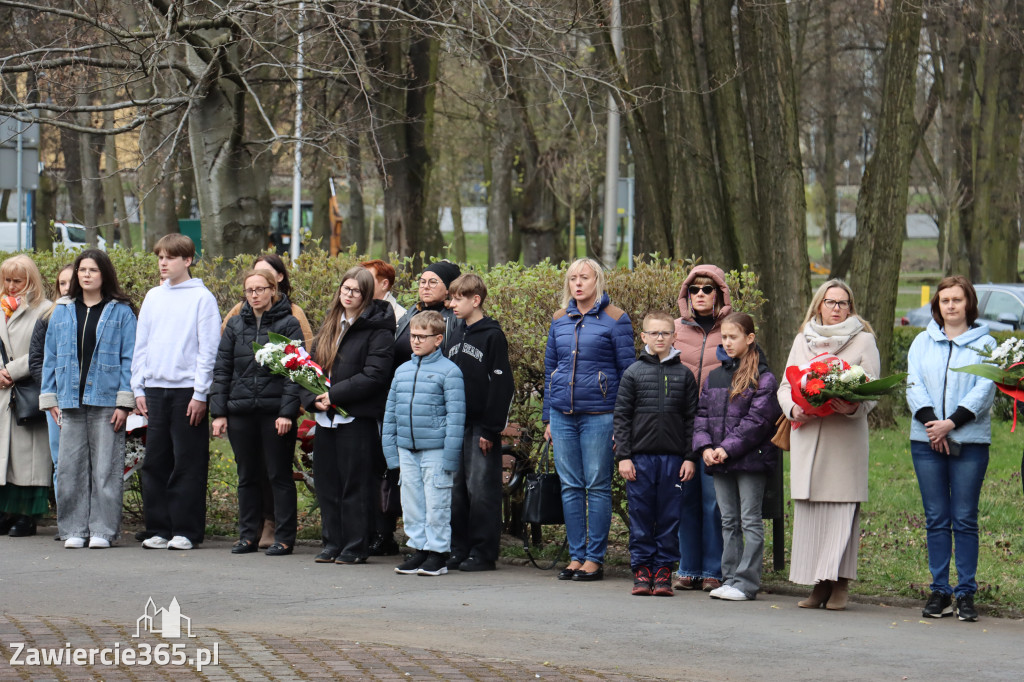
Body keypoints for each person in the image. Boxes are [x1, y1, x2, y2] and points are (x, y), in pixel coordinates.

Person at [777, 279, 879, 611]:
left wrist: (852, 406)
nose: (836, 309)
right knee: (812, 511)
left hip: (843, 439)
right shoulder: (802, 339)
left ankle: (841, 584)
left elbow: (873, 388)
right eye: (830, 302)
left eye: (843, 303)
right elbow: (784, 385)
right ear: (819, 304)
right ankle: (819, 584)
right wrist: (794, 408)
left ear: (851, 307)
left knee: (840, 509)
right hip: (808, 433)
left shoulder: (864, 340)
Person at [906, 276, 995, 622]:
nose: (951, 306)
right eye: (945, 300)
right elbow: (913, 383)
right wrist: (933, 423)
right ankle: (940, 590)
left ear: (968, 304)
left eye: (957, 300)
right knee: (936, 518)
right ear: (937, 305)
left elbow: (985, 389)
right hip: (925, 440)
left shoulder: (985, 344)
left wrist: (951, 423)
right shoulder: (920, 343)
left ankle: (966, 593)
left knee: (964, 518)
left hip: (969, 441)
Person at [543, 257, 635, 582]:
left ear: (597, 281)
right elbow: (550, 370)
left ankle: (594, 559)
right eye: (572, 278)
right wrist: (547, 418)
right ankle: (575, 556)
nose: (577, 283)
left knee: (596, 486)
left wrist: (622, 424)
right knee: (569, 487)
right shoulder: (559, 318)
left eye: (584, 277)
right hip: (562, 415)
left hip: (601, 415)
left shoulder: (615, 319)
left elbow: (628, 375)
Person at [39, 250, 137, 549]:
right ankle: (73, 530)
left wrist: (124, 403)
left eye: (93, 270)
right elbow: (51, 356)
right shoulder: (63, 309)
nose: (86, 275)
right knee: (69, 469)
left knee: (106, 469)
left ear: (104, 274)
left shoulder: (121, 311)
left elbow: (129, 358)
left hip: (106, 402)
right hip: (69, 401)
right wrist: (50, 396)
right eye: (82, 269)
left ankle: (103, 531)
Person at [131, 234, 221, 551]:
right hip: (155, 389)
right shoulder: (154, 297)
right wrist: (138, 386)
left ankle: (186, 530)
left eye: (170, 257)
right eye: (160, 257)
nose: (163, 263)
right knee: (156, 461)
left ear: (188, 260)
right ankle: (159, 527)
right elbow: (141, 345)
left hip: (186, 391)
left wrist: (200, 394)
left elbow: (208, 350)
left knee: (188, 461)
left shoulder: (202, 298)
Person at [304, 266, 395, 565]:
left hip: (355, 418)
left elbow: (375, 374)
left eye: (356, 290)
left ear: (366, 294)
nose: (349, 294)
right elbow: (310, 369)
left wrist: (335, 395)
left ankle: (356, 546)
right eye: (345, 288)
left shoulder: (378, 328)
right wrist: (311, 399)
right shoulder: (331, 324)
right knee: (327, 483)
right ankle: (332, 543)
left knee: (355, 485)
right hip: (325, 418)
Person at [220, 253, 311, 549]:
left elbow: (295, 373)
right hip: (240, 412)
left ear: (273, 289)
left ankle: (284, 538)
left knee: (279, 476)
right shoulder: (235, 326)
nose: (255, 295)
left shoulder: (288, 324)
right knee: (247, 476)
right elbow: (222, 369)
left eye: (260, 289)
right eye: (249, 290)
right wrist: (219, 413)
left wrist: (287, 412)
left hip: (275, 415)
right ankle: (248, 534)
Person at [693, 312, 781, 602]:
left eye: (733, 337)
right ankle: (729, 578)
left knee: (750, 520)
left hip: (750, 460)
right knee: (728, 520)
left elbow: (757, 422)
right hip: (720, 460)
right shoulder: (715, 376)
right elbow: (702, 415)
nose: (727, 343)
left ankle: (746, 583)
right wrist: (705, 447)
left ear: (750, 338)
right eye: (724, 338)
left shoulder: (763, 378)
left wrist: (726, 448)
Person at [613, 312, 698, 597]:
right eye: (654, 333)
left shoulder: (684, 375)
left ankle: (663, 571)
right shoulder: (633, 373)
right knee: (640, 515)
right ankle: (642, 571)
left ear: (674, 336)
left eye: (665, 333)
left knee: (669, 517)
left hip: (673, 460)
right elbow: (622, 417)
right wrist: (624, 456)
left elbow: (691, 419)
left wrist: (689, 457)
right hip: (639, 460)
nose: (660, 338)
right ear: (644, 336)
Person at [383, 311, 466, 576]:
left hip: (436, 450)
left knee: (437, 502)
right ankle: (418, 549)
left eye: (422, 336)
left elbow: (456, 417)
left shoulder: (450, 372)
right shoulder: (402, 371)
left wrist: (450, 456)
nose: (415, 341)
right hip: (407, 449)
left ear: (438, 339)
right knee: (412, 503)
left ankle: (438, 553)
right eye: (412, 336)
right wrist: (391, 453)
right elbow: (391, 413)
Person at [444, 273, 515, 572]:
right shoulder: (455, 333)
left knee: (481, 490)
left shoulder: (492, 335)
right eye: (451, 298)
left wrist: (491, 427)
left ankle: (483, 552)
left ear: (476, 300)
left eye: (458, 298)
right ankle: (459, 548)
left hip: (481, 427)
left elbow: (502, 386)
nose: (452, 304)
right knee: (456, 490)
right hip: (456, 423)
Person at [672, 264, 732, 593]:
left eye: (707, 289)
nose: (700, 295)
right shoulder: (677, 330)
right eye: (694, 290)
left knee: (713, 501)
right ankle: (689, 567)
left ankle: (713, 569)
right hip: (683, 424)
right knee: (686, 497)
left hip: (717, 426)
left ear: (719, 293)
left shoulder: (731, 328)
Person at [0, 255, 51, 538]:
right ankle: (6, 513)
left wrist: (9, 371)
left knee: (28, 457)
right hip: (1, 393)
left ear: (30, 280)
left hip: (26, 390)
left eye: (17, 280)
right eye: (7, 279)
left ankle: (26, 516)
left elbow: (41, 351)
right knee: (3, 457)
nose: (10, 286)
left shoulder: (44, 309)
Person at [29, 263, 73, 501]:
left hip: (85, 401)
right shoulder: (47, 317)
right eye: (61, 283)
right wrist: (50, 391)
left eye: (70, 282)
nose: (66, 288)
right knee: (60, 461)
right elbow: (37, 359)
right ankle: (65, 521)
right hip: (55, 400)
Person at [393, 260, 462, 367]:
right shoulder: (412, 311)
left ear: (448, 289)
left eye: (433, 282)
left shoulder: (455, 317)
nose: (426, 286)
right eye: (423, 282)